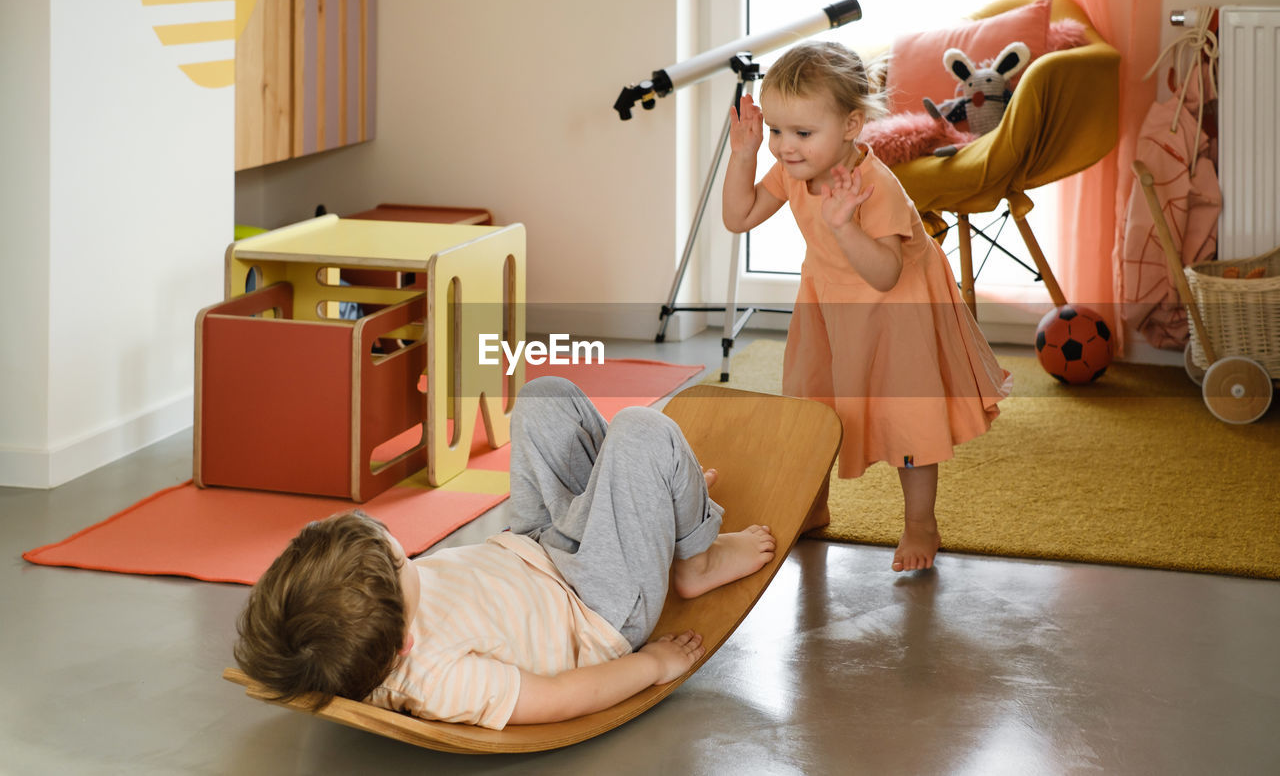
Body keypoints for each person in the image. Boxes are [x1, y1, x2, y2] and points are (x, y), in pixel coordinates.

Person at [233, 376, 776, 730]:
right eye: (402, 561)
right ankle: (695, 559)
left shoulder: (360, 615)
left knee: (544, 397)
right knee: (643, 430)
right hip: (593, 604)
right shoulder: (439, 680)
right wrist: (651, 664)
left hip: (535, 547)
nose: (402, 552)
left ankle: (656, 496)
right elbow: (561, 695)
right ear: (404, 641)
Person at [722, 40, 1011, 572]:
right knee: (814, 404)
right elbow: (739, 217)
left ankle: (921, 522)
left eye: (802, 133)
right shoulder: (795, 168)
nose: (785, 147)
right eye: (777, 131)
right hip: (830, 302)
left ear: (852, 125)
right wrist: (743, 156)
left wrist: (845, 225)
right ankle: (812, 504)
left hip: (895, 303)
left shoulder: (875, 186)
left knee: (907, 415)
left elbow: (884, 274)